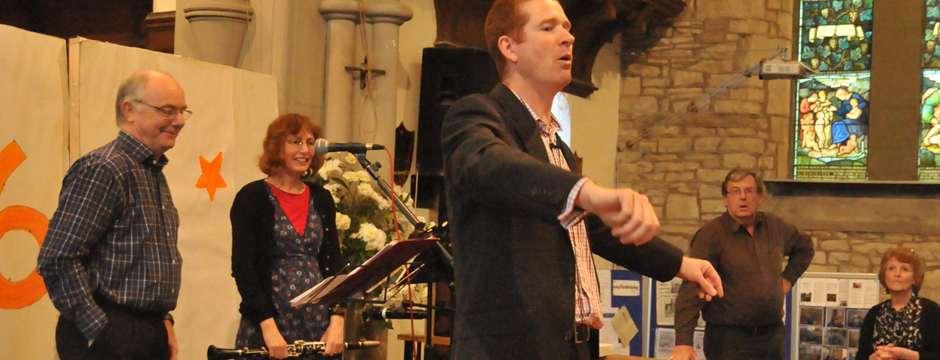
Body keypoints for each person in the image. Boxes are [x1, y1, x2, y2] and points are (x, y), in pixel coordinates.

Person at [440, 1, 724, 359]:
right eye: (549, 28)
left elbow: (593, 230)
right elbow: (490, 166)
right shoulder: (475, 116)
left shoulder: (555, 143)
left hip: (572, 347)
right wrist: (584, 191)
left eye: (567, 26)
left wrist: (681, 263)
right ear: (509, 47)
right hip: (509, 348)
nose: (568, 37)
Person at [37, 70, 190, 360]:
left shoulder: (151, 173)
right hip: (111, 334)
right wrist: (97, 328)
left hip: (146, 331)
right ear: (129, 110)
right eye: (167, 110)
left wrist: (163, 320)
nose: (179, 120)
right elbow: (58, 258)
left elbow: (143, 264)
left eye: (182, 111)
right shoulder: (105, 168)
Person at [230, 113, 345, 359]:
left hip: (319, 327)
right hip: (270, 328)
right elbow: (243, 267)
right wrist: (268, 326)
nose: (305, 149)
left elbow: (335, 264)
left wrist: (337, 319)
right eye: (295, 141)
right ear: (276, 146)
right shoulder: (252, 198)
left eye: (310, 142)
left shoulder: (322, 198)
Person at [670, 169, 815, 360]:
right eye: (736, 191)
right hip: (728, 341)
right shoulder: (711, 235)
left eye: (749, 191)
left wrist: (786, 281)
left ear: (760, 197)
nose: (743, 197)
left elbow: (804, 247)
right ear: (725, 199)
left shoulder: (774, 226)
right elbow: (692, 289)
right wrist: (683, 341)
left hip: (771, 337)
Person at [856, 247, 940, 360]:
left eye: (904, 269)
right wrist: (873, 358)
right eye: (891, 268)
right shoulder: (874, 313)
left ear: (914, 278)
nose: (897, 274)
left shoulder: (930, 311)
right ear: (885, 277)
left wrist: (910, 356)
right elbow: (861, 356)